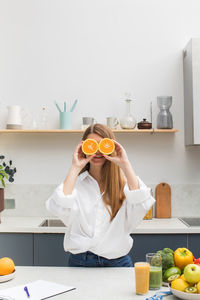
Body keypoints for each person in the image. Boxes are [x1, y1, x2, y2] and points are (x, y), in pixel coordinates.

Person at [46, 123, 155, 267]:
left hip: (118, 262)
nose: (97, 151)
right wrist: (75, 166)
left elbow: (140, 205)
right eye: (92, 146)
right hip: (81, 262)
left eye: (102, 145)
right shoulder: (75, 183)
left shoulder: (124, 182)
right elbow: (60, 209)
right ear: (83, 148)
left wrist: (125, 163)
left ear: (111, 146)